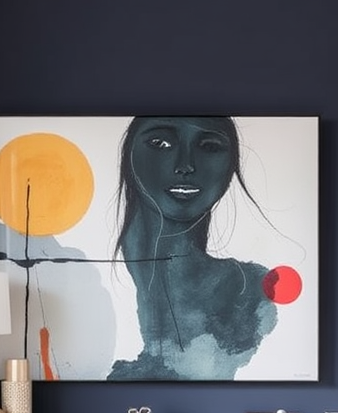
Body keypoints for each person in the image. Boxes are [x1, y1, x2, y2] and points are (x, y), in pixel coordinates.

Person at [107, 114, 277, 380]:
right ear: (129, 155)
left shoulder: (251, 291)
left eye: (209, 147)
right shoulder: (90, 285)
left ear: (231, 165)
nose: (185, 165)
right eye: (160, 143)